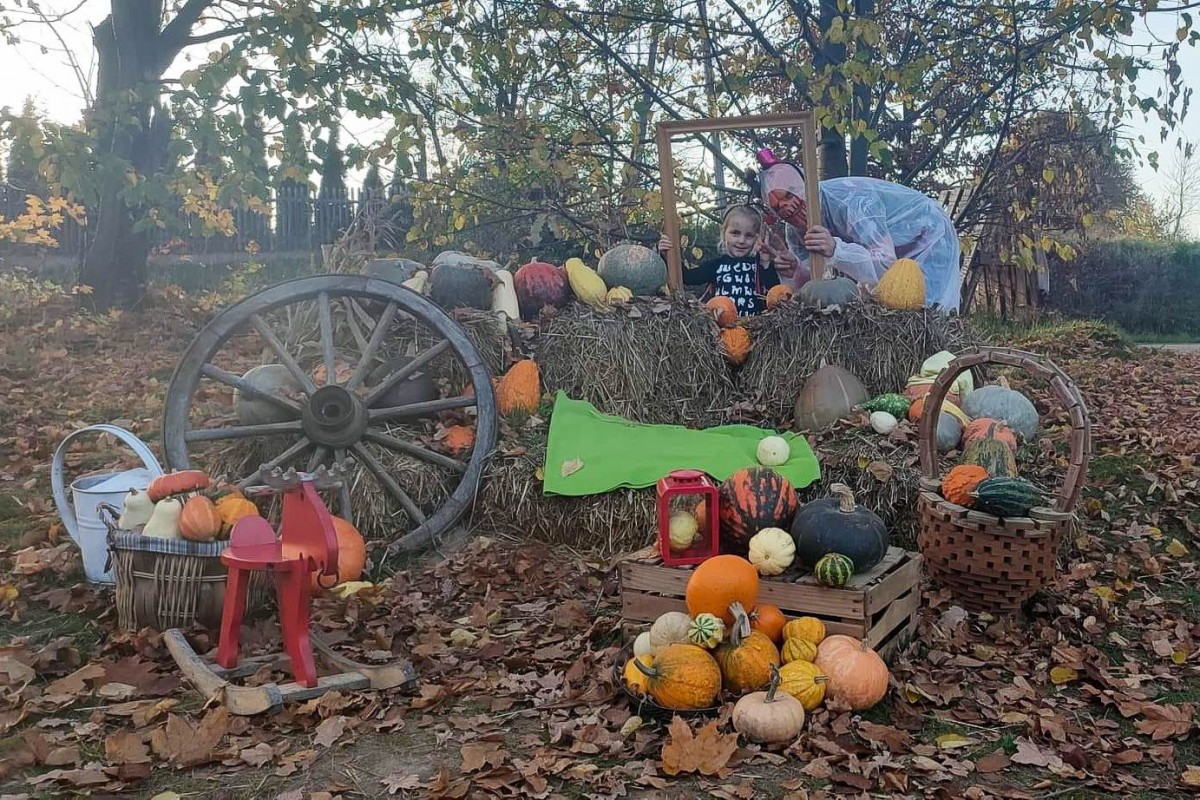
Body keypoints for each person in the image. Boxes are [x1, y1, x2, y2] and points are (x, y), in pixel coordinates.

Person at [750, 148, 963, 311]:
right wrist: (794, 270)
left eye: (789, 195)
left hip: (927, 235)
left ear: (805, 186)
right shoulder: (795, 232)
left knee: (925, 311)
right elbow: (816, 286)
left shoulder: (855, 202)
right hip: (893, 253)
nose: (786, 208)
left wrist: (836, 250)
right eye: (777, 207)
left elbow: (885, 264)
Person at [662, 204, 781, 316]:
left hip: (756, 328)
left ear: (757, 237)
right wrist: (667, 255)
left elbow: (775, 294)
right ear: (724, 233)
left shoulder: (759, 265)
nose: (741, 240)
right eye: (735, 233)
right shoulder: (716, 265)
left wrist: (765, 262)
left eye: (749, 235)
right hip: (724, 329)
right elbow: (688, 277)